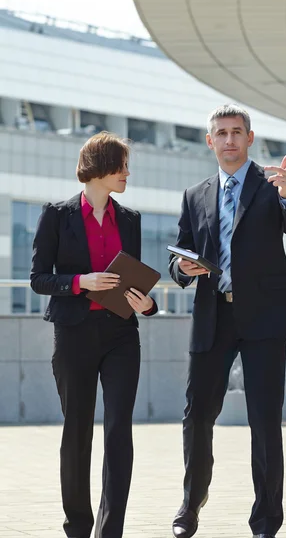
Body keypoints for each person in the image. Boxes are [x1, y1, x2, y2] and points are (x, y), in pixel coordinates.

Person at [169, 104, 286, 538]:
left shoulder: (274, 185)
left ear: (250, 139)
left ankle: (266, 519)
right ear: (210, 140)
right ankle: (190, 505)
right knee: (197, 415)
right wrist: (183, 270)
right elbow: (180, 255)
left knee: (265, 420)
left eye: (237, 132)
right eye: (222, 132)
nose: (230, 139)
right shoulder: (195, 195)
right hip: (214, 315)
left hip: (265, 318)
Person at [30, 131, 158, 538]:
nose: (127, 173)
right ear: (100, 167)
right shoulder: (57, 214)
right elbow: (38, 279)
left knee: (119, 429)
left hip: (121, 334)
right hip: (74, 333)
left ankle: (110, 530)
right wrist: (81, 281)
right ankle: (78, 528)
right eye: (122, 165)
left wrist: (148, 305)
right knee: (77, 430)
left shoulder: (130, 220)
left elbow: (134, 281)